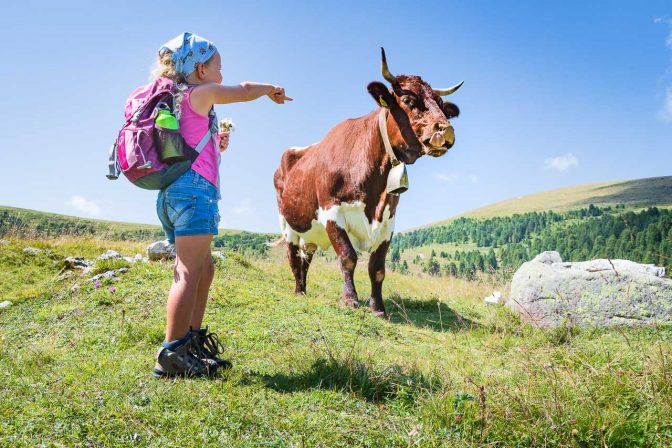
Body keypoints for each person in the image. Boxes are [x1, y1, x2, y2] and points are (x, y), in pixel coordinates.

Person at [152, 32, 292, 378]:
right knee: (188, 270)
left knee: (205, 268)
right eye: (218, 65)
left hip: (174, 192)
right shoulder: (202, 93)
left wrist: (214, 144)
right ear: (200, 69)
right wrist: (270, 89)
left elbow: (187, 144)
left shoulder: (178, 99)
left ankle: (192, 343)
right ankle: (172, 353)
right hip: (194, 192)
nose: (222, 72)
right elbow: (244, 89)